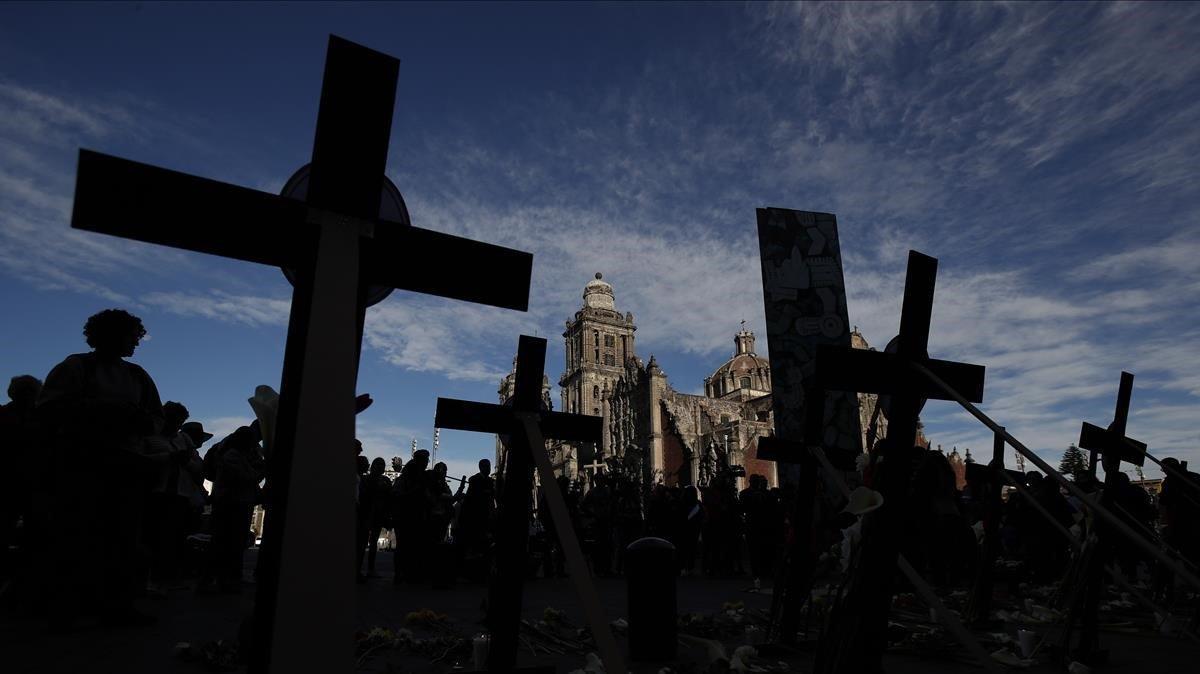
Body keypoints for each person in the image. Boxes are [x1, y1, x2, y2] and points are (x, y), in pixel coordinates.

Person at [37, 309, 165, 629]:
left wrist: (140, 421)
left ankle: (117, 604)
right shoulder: (76, 367)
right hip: (83, 463)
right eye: (131, 336)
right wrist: (104, 411)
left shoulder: (138, 376)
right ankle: (67, 606)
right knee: (78, 534)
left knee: (123, 538)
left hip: (124, 465)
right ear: (109, 335)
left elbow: (156, 419)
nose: (136, 342)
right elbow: (50, 410)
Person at [144, 403, 207, 597]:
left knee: (175, 539)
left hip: (180, 495)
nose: (176, 425)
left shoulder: (183, 439)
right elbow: (143, 460)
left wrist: (185, 460)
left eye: (180, 421)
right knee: (155, 538)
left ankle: (166, 579)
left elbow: (198, 466)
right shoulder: (151, 436)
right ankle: (151, 580)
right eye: (174, 420)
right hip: (157, 493)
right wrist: (170, 457)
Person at [198, 426, 263, 594]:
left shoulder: (231, 454)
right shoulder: (232, 456)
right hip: (233, 502)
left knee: (227, 542)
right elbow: (248, 477)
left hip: (232, 502)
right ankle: (218, 580)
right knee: (227, 542)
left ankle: (220, 579)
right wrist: (262, 469)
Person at [0, 375, 44, 595]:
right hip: (19, 482)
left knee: (31, 533)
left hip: (26, 483)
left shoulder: (38, 419)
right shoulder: (40, 419)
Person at [391, 449, 431, 583]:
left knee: (413, 546)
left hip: (417, 516)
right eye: (424, 462)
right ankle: (399, 574)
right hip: (404, 516)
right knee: (402, 545)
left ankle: (410, 573)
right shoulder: (405, 478)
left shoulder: (422, 478)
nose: (425, 465)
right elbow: (397, 496)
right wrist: (414, 492)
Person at [358, 457, 392, 579]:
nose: (381, 467)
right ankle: (362, 569)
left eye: (382, 465)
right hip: (367, 514)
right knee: (363, 543)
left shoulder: (382, 480)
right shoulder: (368, 479)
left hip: (376, 515)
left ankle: (368, 569)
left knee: (370, 543)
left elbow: (389, 498)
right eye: (379, 465)